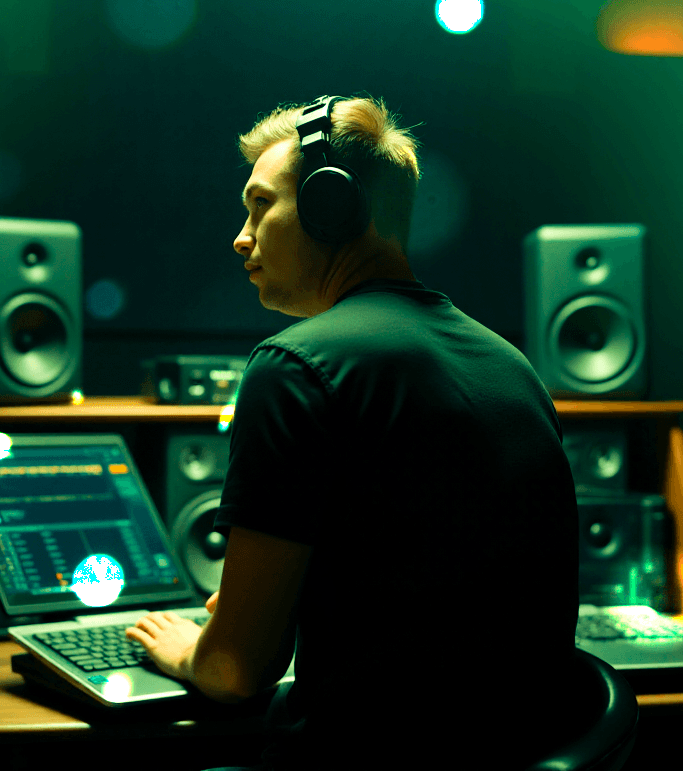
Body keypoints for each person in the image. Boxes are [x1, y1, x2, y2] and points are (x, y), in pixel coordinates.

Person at [126, 95, 580, 770]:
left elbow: (234, 672)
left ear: (327, 209)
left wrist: (192, 646)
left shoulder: (293, 366)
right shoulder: (510, 366)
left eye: (258, 206)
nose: (240, 236)